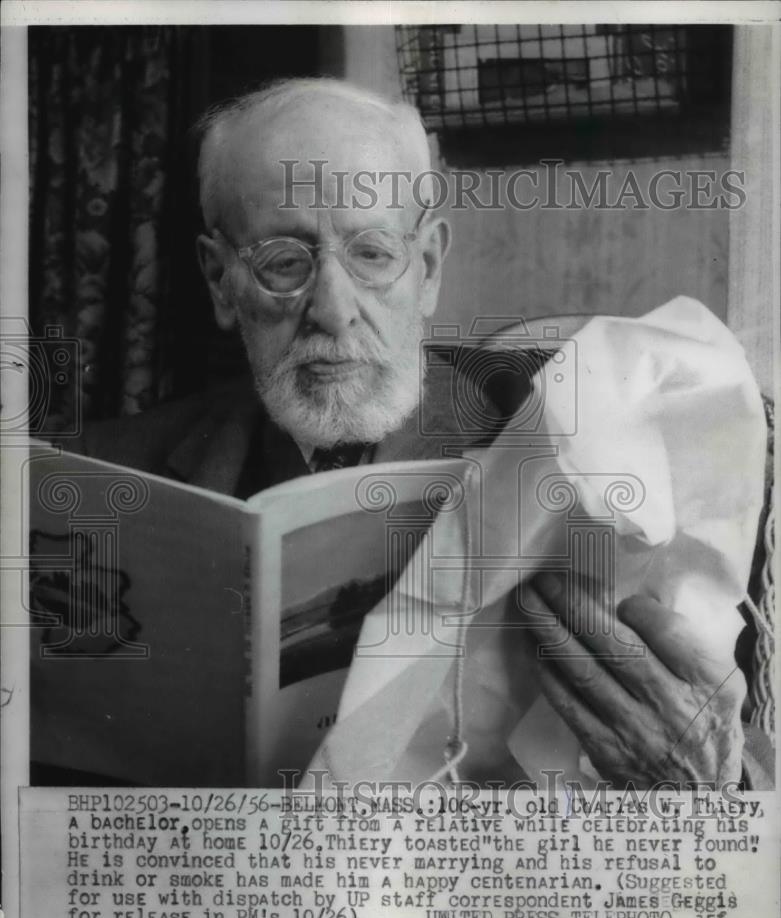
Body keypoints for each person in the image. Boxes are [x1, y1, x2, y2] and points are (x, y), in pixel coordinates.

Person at [71, 77, 772, 790]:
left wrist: (710, 794)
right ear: (221, 281)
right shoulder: (101, 475)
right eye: (283, 262)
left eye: (372, 254)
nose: (333, 312)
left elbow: (718, 748)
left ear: (428, 268)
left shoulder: (586, 457)